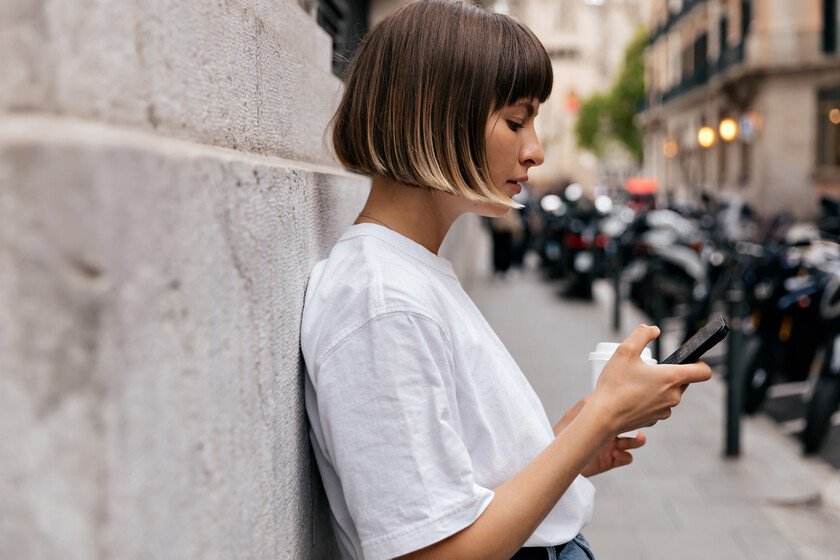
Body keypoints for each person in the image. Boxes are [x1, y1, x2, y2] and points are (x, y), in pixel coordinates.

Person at [300, 2, 712, 559]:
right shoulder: (384, 302)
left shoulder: (408, 274)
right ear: (435, 115)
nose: (535, 150)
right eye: (516, 121)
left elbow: (459, 482)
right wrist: (600, 418)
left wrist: (573, 443)